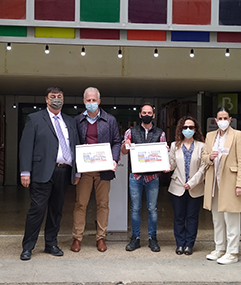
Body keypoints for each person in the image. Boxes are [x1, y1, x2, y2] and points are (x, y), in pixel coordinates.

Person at [19, 87, 79, 261]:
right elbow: (26, 147)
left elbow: (75, 146)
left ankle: (51, 243)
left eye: (60, 96)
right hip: (42, 172)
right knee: (37, 210)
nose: (56, 99)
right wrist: (25, 171)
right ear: (46, 99)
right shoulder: (34, 119)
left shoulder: (70, 121)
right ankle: (28, 247)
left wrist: (77, 172)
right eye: (53, 97)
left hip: (63, 171)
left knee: (56, 210)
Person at [71, 87, 121, 253]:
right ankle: (77, 238)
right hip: (84, 170)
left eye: (94, 100)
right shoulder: (77, 120)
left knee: (103, 204)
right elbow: (73, 144)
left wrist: (114, 159)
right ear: (84, 101)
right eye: (88, 100)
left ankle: (101, 237)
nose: (91, 103)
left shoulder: (110, 120)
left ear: (99, 101)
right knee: (80, 204)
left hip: (103, 170)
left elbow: (116, 141)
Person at [202, 107, 241, 265]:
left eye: (225, 118)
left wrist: (240, 184)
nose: (222, 121)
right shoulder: (210, 136)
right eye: (219, 118)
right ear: (215, 120)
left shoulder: (237, 135)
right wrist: (210, 157)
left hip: (231, 182)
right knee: (217, 218)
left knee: (232, 218)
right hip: (214, 183)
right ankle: (219, 248)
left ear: (230, 120)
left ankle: (232, 252)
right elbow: (204, 157)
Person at [121, 102, 166, 252]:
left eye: (149, 113)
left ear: (153, 115)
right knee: (135, 208)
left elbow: (163, 154)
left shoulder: (160, 133)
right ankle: (136, 238)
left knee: (152, 209)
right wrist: (125, 145)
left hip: (153, 177)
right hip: (136, 176)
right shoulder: (130, 132)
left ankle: (153, 238)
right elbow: (124, 151)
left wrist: (164, 151)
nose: (147, 115)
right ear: (140, 115)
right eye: (144, 113)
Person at [168, 116, 207, 255]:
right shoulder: (174, 145)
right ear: (181, 129)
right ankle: (180, 244)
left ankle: (189, 244)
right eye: (185, 127)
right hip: (177, 186)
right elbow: (171, 166)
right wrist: (164, 156)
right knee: (179, 217)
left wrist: (191, 183)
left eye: (191, 127)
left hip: (195, 187)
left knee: (192, 217)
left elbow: (203, 167)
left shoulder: (202, 146)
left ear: (195, 129)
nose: (188, 130)